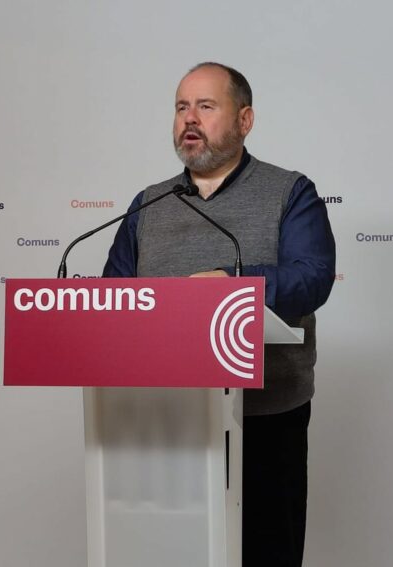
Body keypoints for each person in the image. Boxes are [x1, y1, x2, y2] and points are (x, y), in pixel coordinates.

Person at [103, 62, 335, 567]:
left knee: (265, 553)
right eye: (181, 107)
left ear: (245, 120)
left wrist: (232, 286)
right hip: (163, 420)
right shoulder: (147, 204)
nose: (190, 118)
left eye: (206, 106)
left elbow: (312, 278)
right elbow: (114, 300)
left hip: (264, 418)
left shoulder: (290, 192)